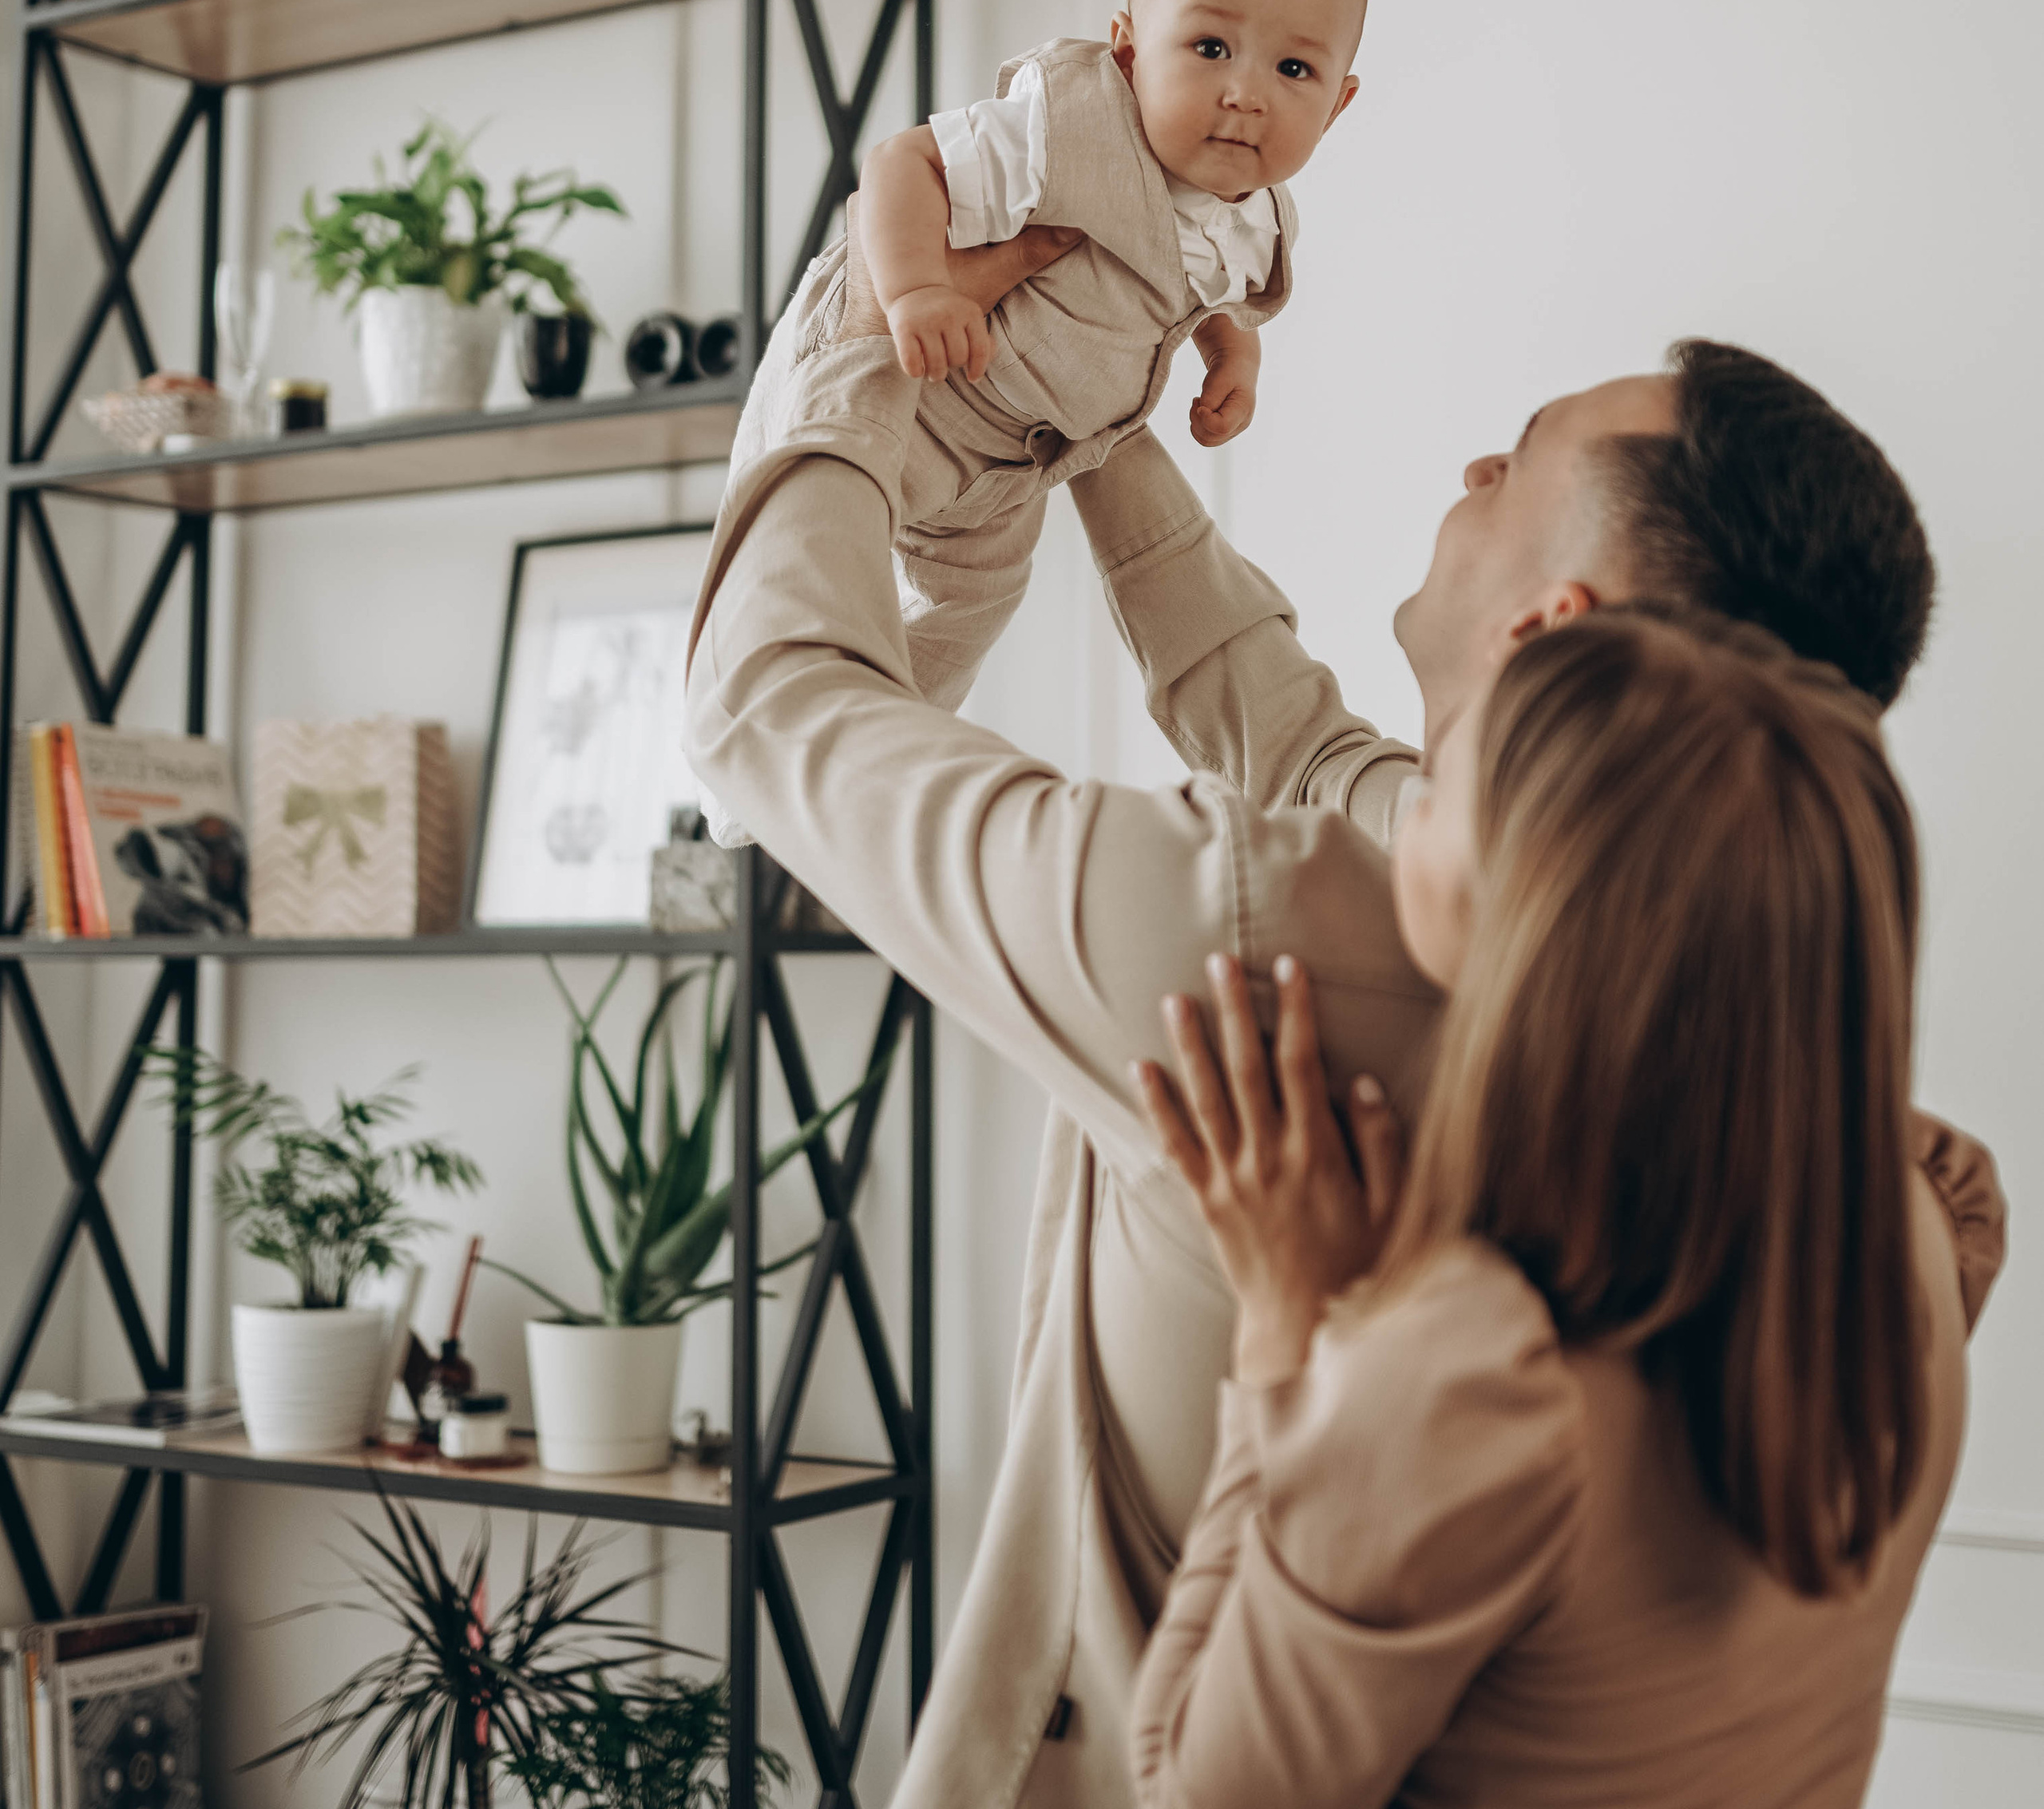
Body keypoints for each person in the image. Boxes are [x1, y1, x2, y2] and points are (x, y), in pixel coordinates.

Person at [681, 211, 2004, 1809]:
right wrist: (1085, 406)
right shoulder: (1888, 1207)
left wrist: (856, 309)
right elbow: (1302, 746)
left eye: (1513, 461)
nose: (1470, 473)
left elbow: (772, 702)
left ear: (1550, 638)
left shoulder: (1245, 972)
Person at [1126, 612, 2002, 1807]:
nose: (1402, 798)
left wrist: (1290, 1329)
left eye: (1434, 793)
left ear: (1532, 924)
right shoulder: (1910, 1226)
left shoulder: (1473, 1381)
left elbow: (1189, 1790)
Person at [701, 0, 1367, 847]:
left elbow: (1213, 299)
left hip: (1012, 465)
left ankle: (854, 766)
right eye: (1211, 47)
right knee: (802, 534)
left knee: (973, 606)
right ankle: (743, 751)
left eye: (1294, 71)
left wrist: (1235, 360)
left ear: (1340, 102)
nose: (1244, 93)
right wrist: (918, 291)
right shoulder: (1062, 128)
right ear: (1131, 47)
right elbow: (899, 166)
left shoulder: (1257, 219)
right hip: (902, 375)